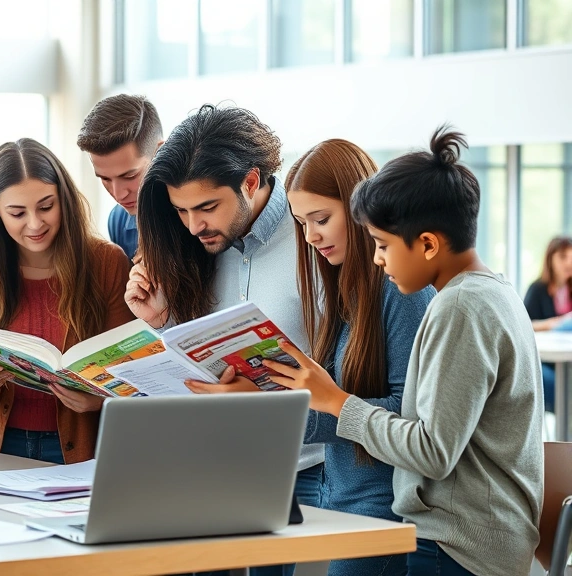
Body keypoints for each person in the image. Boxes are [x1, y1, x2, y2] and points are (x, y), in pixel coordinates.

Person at [269, 127, 543, 576]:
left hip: (452, 543)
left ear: (429, 244)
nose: (377, 258)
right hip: (456, 537)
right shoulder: (486, 293)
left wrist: (337, 401)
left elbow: (432, 450)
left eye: (382, 245)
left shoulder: (460, 305)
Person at [219, 140, 433, 576]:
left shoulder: (399, 292)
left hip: (386, 506)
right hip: (343, 498)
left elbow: (410, 421)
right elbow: (331, 414)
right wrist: (271, 400)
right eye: (302, 223)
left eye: (322, 219)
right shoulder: (342, 290)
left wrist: (325, 396)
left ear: (360, 211)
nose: (311, 235)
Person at [124, 105, 320, 576]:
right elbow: (197, 363)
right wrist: (162, 322)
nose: (194, 226)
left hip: (309, 469)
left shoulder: (314, 236)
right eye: (182, 211)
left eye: (207, 207)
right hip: (217, 467)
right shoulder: (194, 247)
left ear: (250, 182)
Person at [0, 138, 134, 464]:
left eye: (47, 206)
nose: (35, 224)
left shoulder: (106, 262)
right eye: (17, 213)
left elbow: (129, 373)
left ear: (64, 199)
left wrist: (97, 399)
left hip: (86, 446)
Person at [77, 94, 164, 261]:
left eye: (130, 176)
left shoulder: (195, 214)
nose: (118, 195)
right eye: (105, 179)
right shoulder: (118, 220)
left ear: (160, 153)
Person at [524, 235, 572, 412]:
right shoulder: (537, 290)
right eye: (562, 257)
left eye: (571, 257)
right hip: (547, 364)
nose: (568, 263)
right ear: (550, 260)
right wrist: (556, 323)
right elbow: (524, 325)